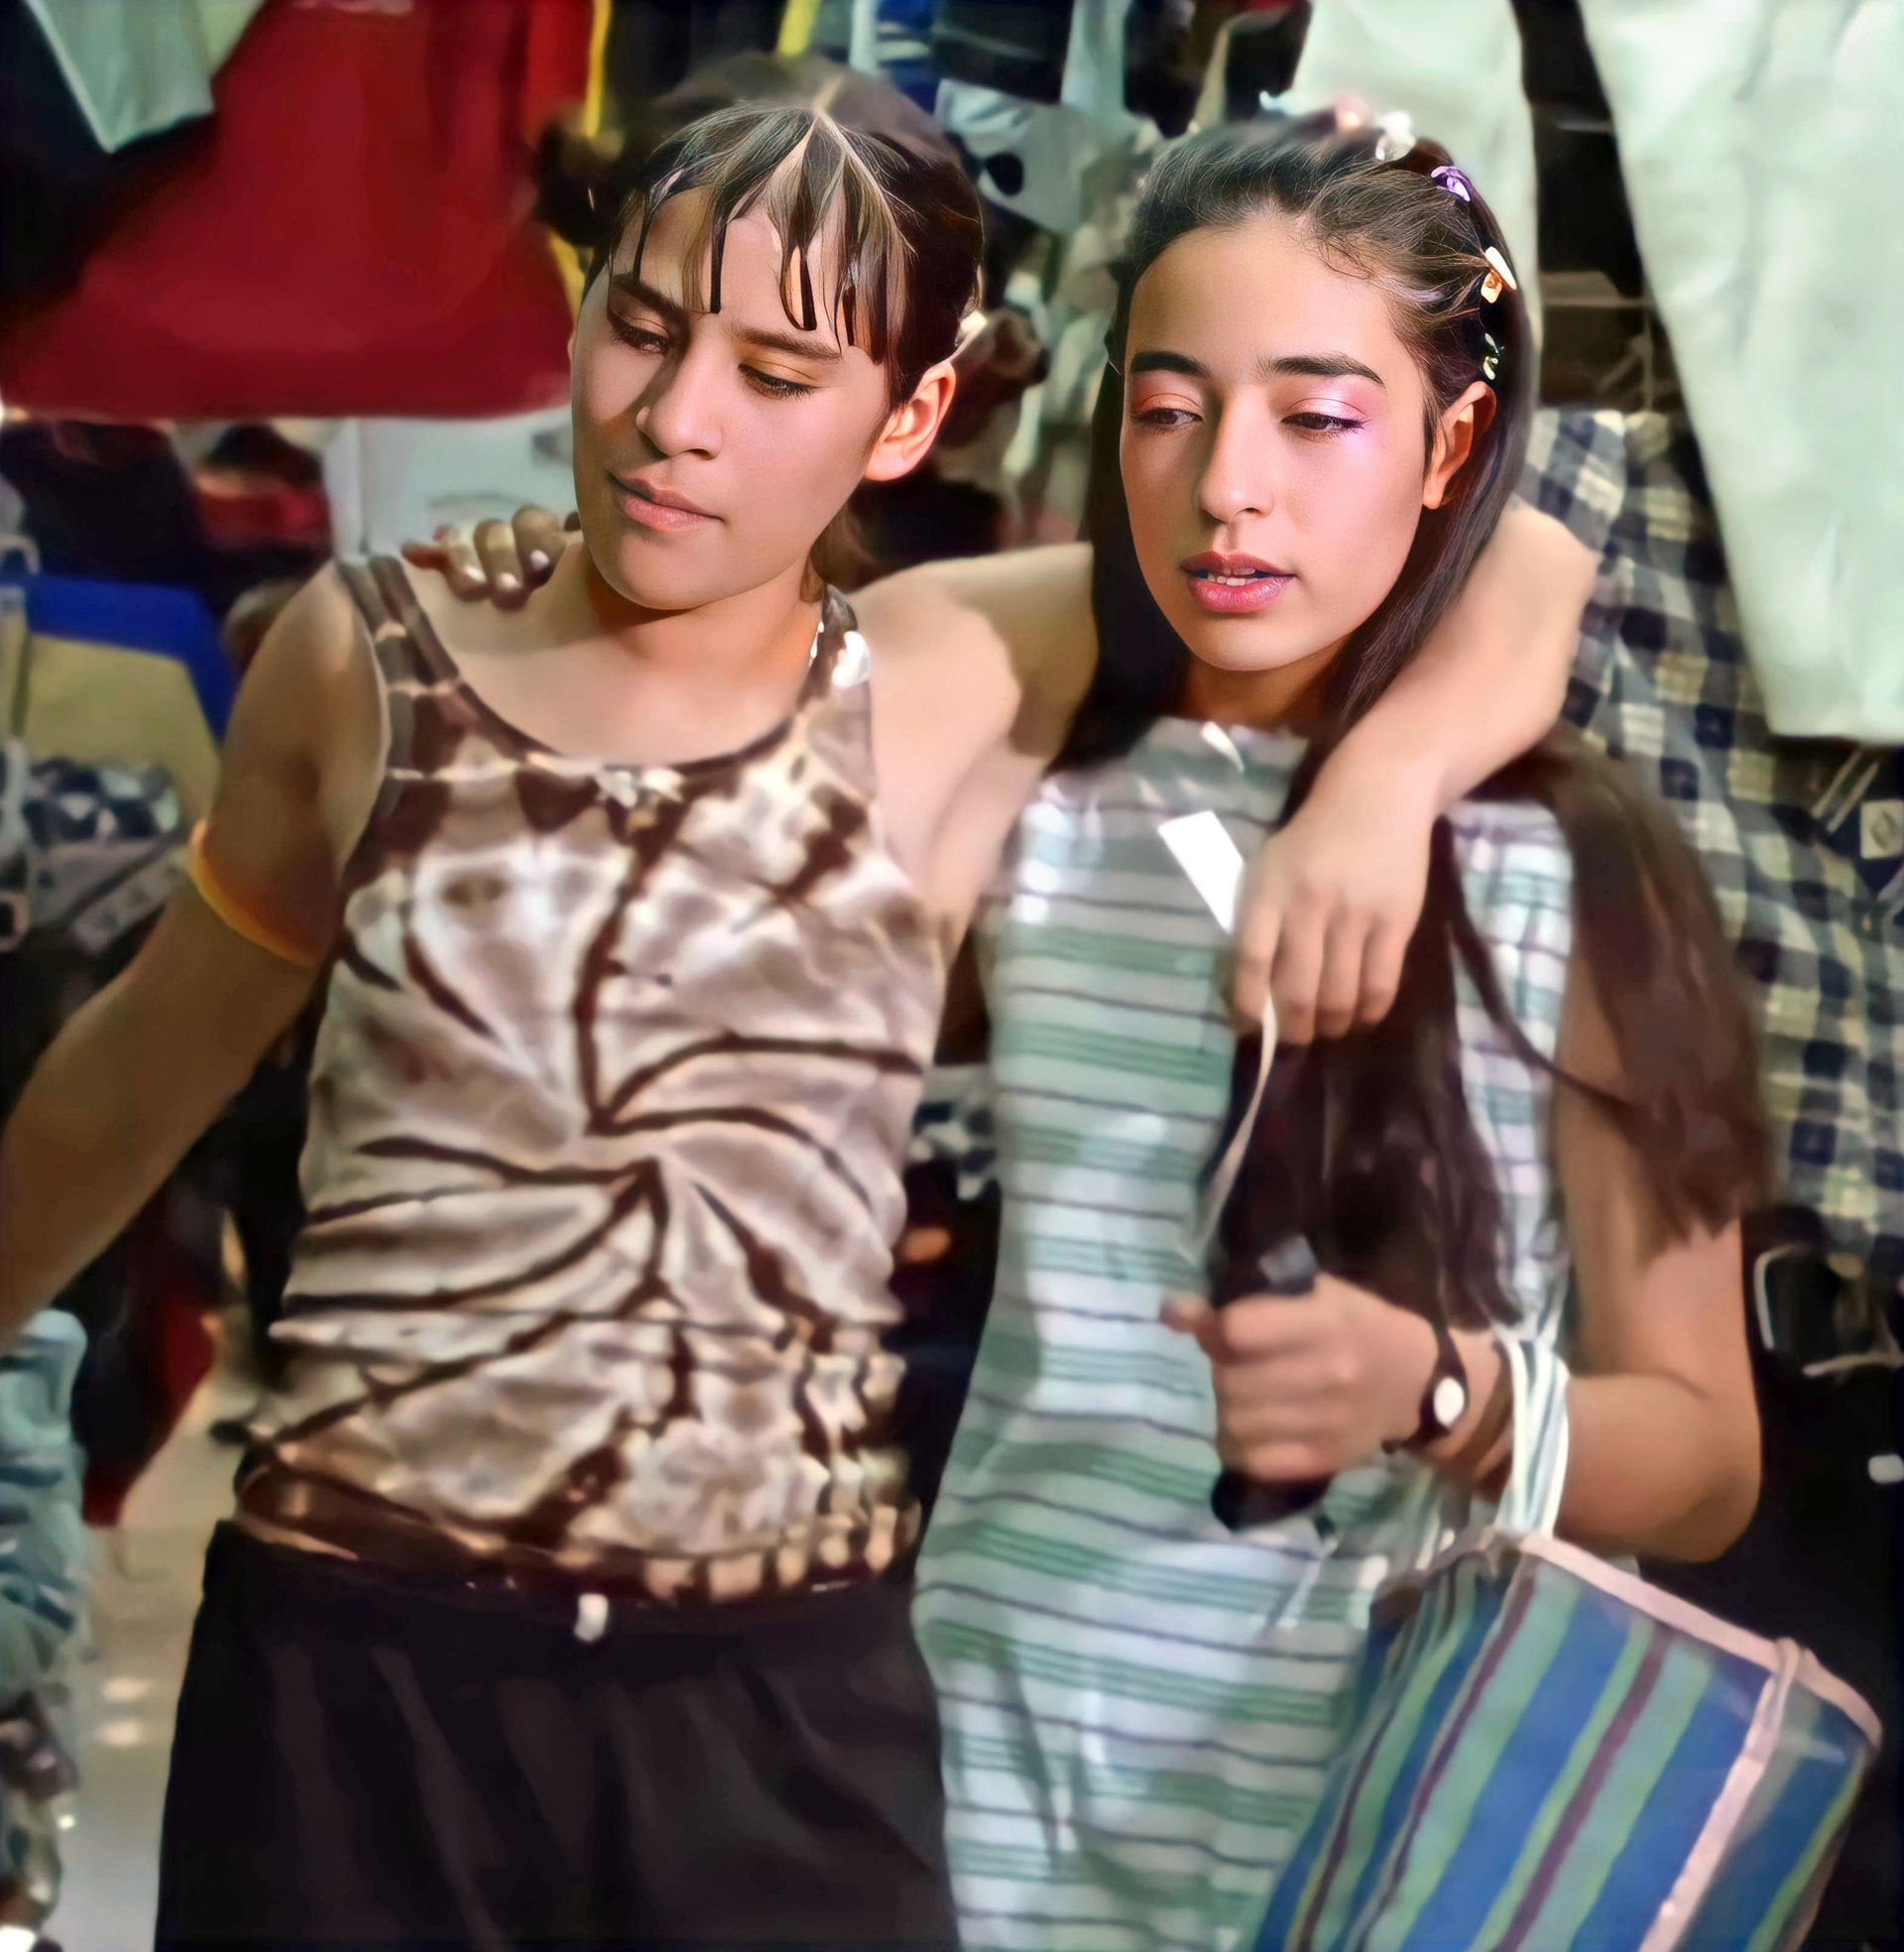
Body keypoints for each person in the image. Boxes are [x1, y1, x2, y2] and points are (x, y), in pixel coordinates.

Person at [0, 106, 1586, 1950]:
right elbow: (138, 1070)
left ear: (908, 420)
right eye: (643, 329)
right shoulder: (377, 661)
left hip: (773, 1702)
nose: (678, 420)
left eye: (775, 373)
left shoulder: (940, 676)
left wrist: (1384, 784)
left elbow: (1515, 559)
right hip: (356, 1677)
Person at [894, 118, 1767, 1951]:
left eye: (1316, 417)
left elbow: (1704, 1462)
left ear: (1448, 445)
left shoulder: (1565, 863)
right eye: (1169, 409)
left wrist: (1431, 1391)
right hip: (993, 1800)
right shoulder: (1032, 788)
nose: (1229, 489)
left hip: (1411, 1841)